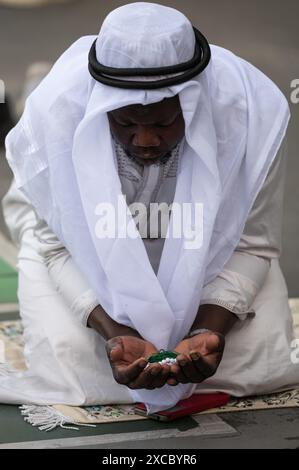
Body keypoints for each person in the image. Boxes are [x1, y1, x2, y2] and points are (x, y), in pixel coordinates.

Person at [1, 2, 298, 414]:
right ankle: (36, 89)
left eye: (163, 124)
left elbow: (254, 244)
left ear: (194, 105)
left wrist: (207, 329)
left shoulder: (249, 117)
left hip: (212, 256)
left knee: (257, 364)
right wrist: (115, 332)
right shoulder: (63, 117)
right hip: (73, 250)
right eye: (124, 123)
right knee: (74, 365)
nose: (144, 141)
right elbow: (56, 247)